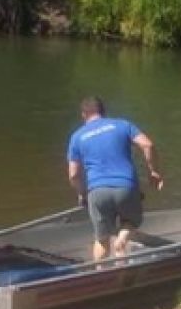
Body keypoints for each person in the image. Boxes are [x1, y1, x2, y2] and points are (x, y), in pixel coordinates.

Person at [67, 96, 163, 261]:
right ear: (103, 111)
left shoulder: (77, 137)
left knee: (101, 239)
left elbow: (73, 175)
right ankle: (122, 239)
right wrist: (153, 171)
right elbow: (148, 145)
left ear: (84, 115)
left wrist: (82, 193)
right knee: (130, 222)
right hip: (125, 186)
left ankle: (99, 274)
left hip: (97, 192)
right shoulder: (122, 125)